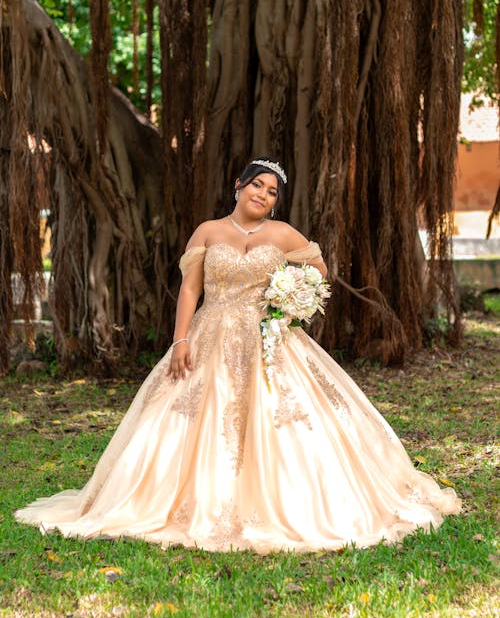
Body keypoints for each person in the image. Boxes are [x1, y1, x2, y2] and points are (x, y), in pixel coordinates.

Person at [15, 157, 461, 553]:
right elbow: (190, 290)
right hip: (210, 333)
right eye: (257, 186)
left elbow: (319, 274)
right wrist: (180, 340)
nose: (263, 196)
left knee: (281, 418)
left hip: (267, 338)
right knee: (190, 414)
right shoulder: (209, 231)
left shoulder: (283, 234)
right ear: (238, 184)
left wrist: (288, 303)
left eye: (271, 193)